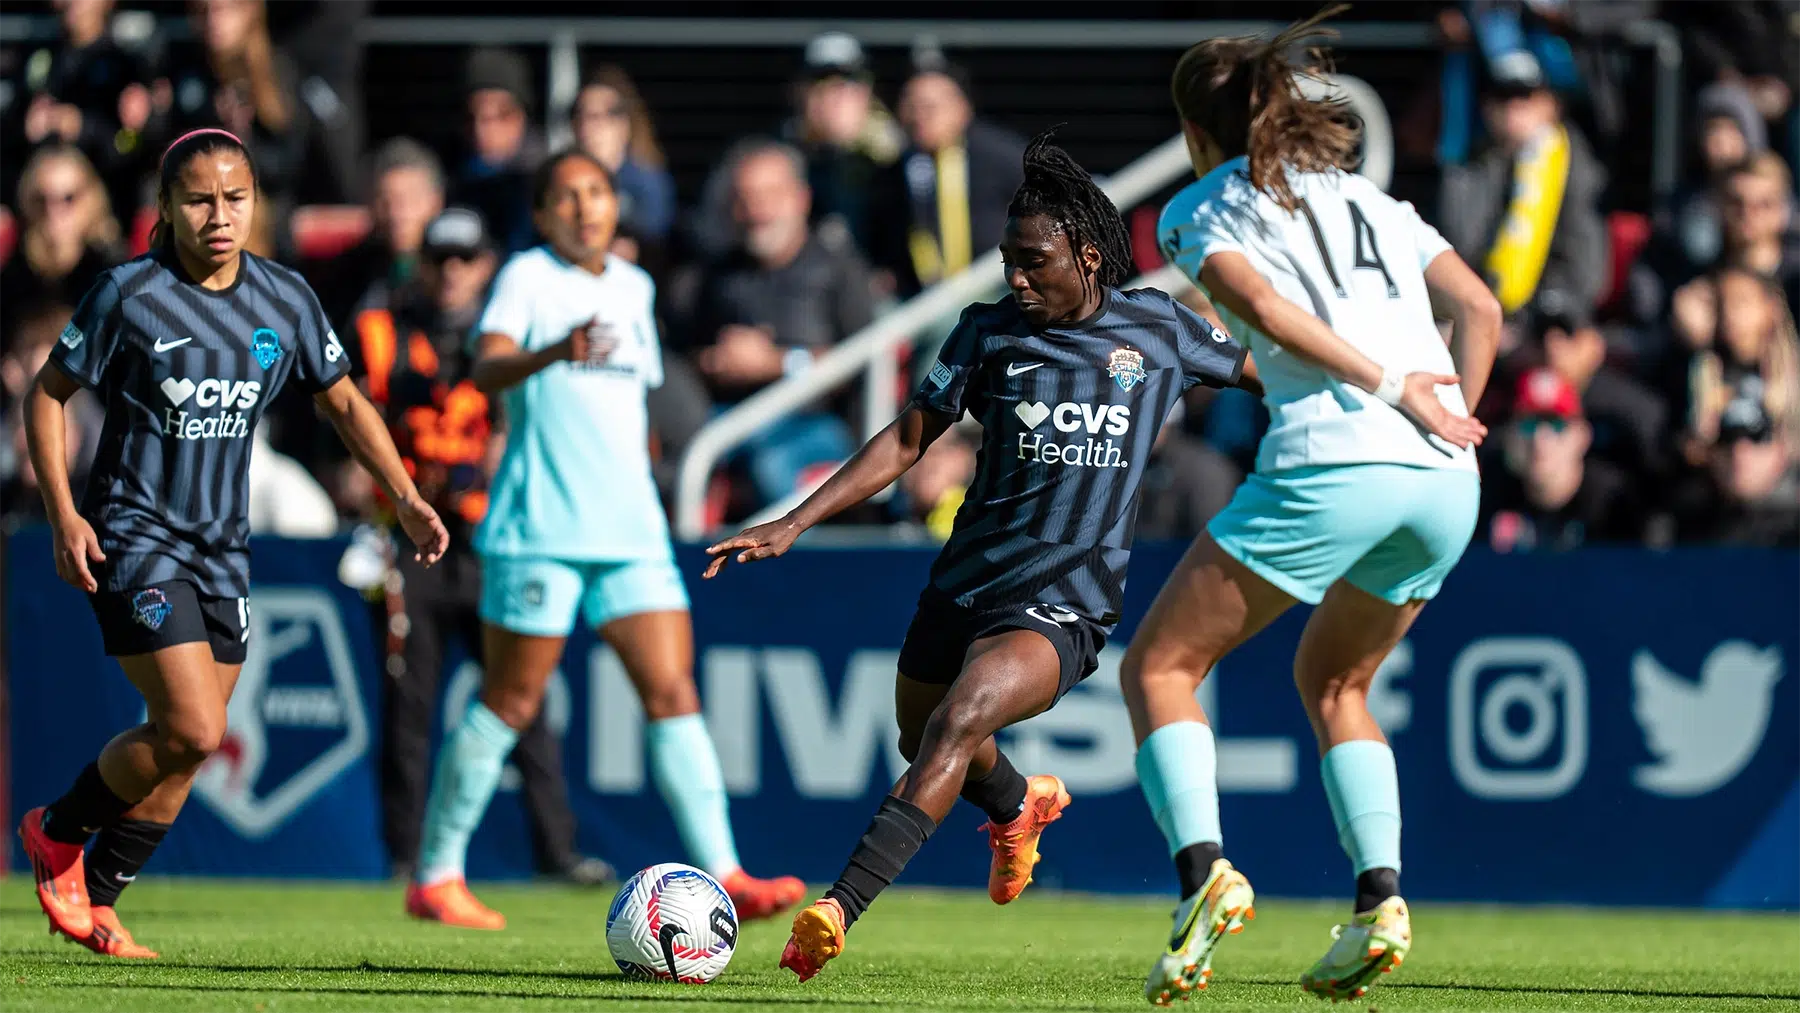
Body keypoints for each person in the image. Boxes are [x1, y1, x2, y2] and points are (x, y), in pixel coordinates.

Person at [704, 131, 1258, 983]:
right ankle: (1017, 805)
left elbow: (1273, 376)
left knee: (959, 720)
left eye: (1033, 262)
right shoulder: (987, 332)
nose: (1016, 278)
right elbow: (908, 439)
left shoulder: (1158, 329)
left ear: (1084, 253)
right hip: (965, 581)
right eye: (1007, 261)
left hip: (1065, 603)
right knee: (920, 734)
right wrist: (794, 521)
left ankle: (837, 907)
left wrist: (1379, 397)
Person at [1131, 10, 1500, 1005]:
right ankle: (1380, 898)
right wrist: (1450, 413)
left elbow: (1261, 304)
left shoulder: (1202, 205)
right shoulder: (1373, 201)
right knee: (1335, 681)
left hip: (1342, 456)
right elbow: (1483, 308)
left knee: (1162, 665)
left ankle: (1203, 875)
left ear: (1198, 135)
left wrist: (1387, 390)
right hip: (1444, 478)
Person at [16, 127, 449, 959]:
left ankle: (98, 901)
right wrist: (65, 512)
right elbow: (47, 395)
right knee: (196, 726)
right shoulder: (129, 293)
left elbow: (348, 403)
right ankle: (57, 829)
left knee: (183, 752)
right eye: (199, 199)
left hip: (225, 547)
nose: (220, 214)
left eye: (236, 197)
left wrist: (404, 495)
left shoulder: (285, 299)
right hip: (135, 536)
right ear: (168, 209)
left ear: (258, 202)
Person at [404, 149, 803, 931]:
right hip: (541, 528)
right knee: (511, 699)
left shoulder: (635, 286)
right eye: (567, 197)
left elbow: (631, 410)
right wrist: (555, 351)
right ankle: (436, 873)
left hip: (631, 532)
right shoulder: (526, 277)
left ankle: (725, 871)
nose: (586, 207)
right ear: (545, 214)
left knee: (674, 692)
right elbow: (485, 373)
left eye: (597, 193)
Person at [351, 206, 612, 886]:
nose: (452, 272)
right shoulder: (383, 334)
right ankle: (407, 859)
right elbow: (344, 433)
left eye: (465, 258)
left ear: (486, 263)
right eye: (440, 257)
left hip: (495, 540)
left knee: (522, 701)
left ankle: (557, 851)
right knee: (408, 707)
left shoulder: (509, 334)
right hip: (412, 539)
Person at [677, 140, 874, 508]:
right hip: (727, 419)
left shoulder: (839, 269)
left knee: (771, 467)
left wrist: (777, 363)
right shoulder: (716, 275)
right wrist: (718, 362)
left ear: (801, 198)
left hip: (815, 424)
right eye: (745, 197)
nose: (758, 210)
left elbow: (862, 361)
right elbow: (686, 353)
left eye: (770, 194)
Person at [1479, 367, 1646, 550]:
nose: (1540, 440)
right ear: (1509, 434)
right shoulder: (1488, 499)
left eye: (1556, 424)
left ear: (1582, 436)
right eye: (1529, 424)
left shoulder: (1615, 505)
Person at [0, 144, 125, 351]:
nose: (53, 211)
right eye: (42, 199)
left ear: (90, 198)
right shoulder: (14, 271)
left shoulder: (110, 271)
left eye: (68, 198)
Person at [570, 66, 676, 260]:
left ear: (623, 124)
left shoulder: (648, 184)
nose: (587, 128)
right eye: (579, 115)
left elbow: (658, 238)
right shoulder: (562, 180)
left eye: (597, 117)